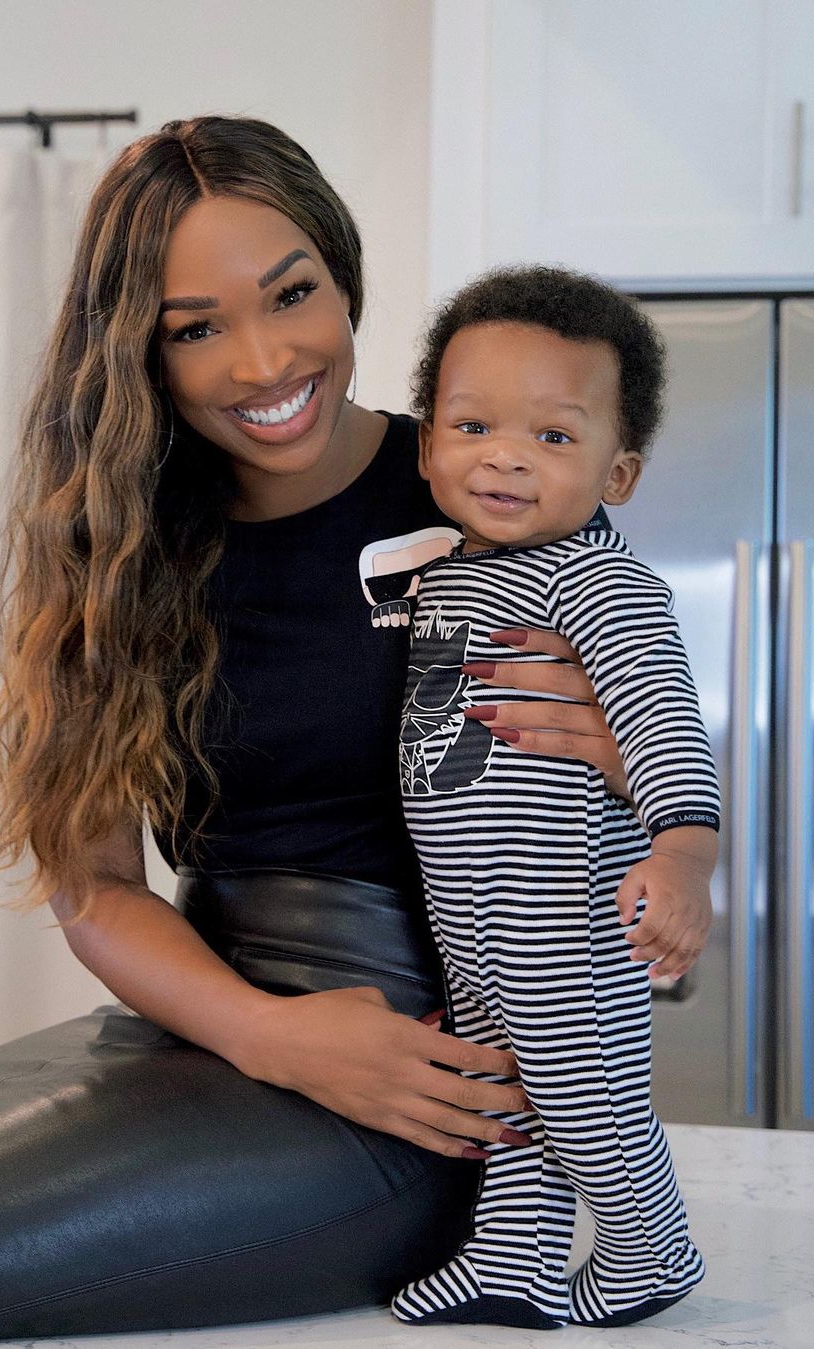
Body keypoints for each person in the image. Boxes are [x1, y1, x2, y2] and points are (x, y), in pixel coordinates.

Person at [0, 119, 643, 1349]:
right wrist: (266, 1031)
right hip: (208, 1027)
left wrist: (619, 774)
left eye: (293, 294)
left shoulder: (484, 495)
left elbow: (633, 856)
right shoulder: (118, 549)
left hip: (417, 1077)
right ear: (140, 352)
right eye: (196, 326)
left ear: (343, 270)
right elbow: (95, 885)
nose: (264, 359)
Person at [391, 266, 719, 1331]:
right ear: (429, 439)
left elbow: (662, 718)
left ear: (618, 472)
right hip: (471, 906)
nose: (504, 455)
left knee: (582, 1092)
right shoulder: (443, 571)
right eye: (474, 422)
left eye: (554, 437)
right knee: (503, 1086)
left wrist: (682, 853)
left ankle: (650, 1246)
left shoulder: (598, 583)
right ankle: (513, 1257)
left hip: (565, 909)